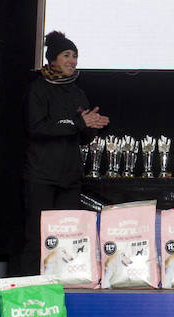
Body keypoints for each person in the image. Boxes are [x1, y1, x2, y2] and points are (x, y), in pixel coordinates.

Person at [19, 31, 109, 274]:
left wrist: (92, 127)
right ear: (53, 59)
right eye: (67, 55)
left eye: (75, 56)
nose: (73, 61)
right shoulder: (38, 89)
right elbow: (37, 127)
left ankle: (64, 286)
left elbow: (80, 134)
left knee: (66, 237)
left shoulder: (77, 92)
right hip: (41, 176)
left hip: (69, 178)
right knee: (37, 238)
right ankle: (29, 291)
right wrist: (79, 123)